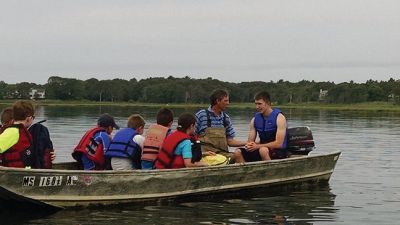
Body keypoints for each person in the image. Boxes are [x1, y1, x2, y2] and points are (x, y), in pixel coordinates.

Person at [234, 91, 289, 163]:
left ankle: (270, 173)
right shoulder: (254, 120)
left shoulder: (280, 118)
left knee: (263, 150)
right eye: (256, 104)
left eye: (260, 104)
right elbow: (250, 141)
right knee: (237, 152)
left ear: (268, 103)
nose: (257, 107)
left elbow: (279, 144)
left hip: (278, 151)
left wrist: (257, 146)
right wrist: (249, 146)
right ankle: (247, 173)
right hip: (262, 148)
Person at [195, 89, 246, 156]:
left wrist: (248, 142)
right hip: (205, 155)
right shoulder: (201, 115)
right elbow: (192, 136)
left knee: (238, 155)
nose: (228, 103)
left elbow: (230, 142)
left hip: (223, 155)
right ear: (218, 101)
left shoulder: (226, 118)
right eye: (226, 101)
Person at [0, 101, 36, 168]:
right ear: (29, 118)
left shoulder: (22, 131)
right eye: (33, 117)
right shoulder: (12, 132)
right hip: (13, 175)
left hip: (24, 173)